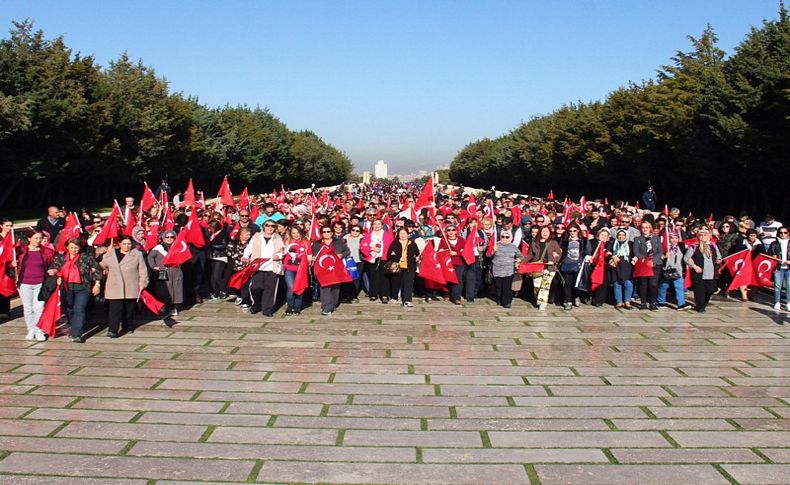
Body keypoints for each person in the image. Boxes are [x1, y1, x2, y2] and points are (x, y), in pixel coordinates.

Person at [49, 238, 102, 342]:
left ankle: (77, 333)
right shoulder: (60, 258)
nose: (74, 250)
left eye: (76, 248)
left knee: (79, 309)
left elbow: (97, 270)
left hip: (83, 287)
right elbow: (55, 268)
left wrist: (97, 284)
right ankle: (72, 326)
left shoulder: (86, 257)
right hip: (66, 287)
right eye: (71, 247)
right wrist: (55, 273)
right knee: (69, 309)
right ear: (67, 247)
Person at [99, 235, 149, 337]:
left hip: (130, 285)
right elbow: (101, 265)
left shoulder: (137, 255)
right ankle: (113, 330)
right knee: (115, 309)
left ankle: (127, 326)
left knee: (128, 309)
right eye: (124, 244)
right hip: (114, 285)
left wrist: (143, 282)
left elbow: (143, 270)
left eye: (129, 244)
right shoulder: (109, 255)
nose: (127, 246)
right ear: (119, 244)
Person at [14, 230, 53, 340]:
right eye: (36, 238)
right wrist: (13, 264)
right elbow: (10, 261)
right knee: (28, 308)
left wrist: (53, 271)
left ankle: (39, 330)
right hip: (25, 283)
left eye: (40, 238)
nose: (38, 240)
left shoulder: (47, 251)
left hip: (40, 283)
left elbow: (53, 263)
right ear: (29, 239)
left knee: (39, 307)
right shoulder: (21, 251)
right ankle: (30, 329)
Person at [243, 219, 285, 317]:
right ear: (263, 226)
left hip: (272, 266)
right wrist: (245, 256)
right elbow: (249, 248)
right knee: (255, 287)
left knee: (270, 289)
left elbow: (283, 250)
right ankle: (256, 304)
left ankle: (267, 308)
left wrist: (279, 255)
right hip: (258, 266)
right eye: (267, 225)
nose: (269, 228)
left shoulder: (278, 238)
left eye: (272, 226)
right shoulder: (256, 237)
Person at [312, 225, 350, 315]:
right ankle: (326, 307)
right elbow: (313, 254)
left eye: (328, 231)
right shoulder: (317, 244)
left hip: (336, 269)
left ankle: (333, 303)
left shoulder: (339, 242)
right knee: (325, 288)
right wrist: (313, 257)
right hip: (323, 269)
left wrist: (341, 255)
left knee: (335, 289)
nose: (326, 234)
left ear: (332, 233)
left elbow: (347, 251)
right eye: (324, 232)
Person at [684, 228, 722, 313]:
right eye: (701, 235)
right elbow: (686, 258)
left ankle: (704, 302)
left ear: (709, 236)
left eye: (705, 235)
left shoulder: (713, 246)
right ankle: (700, 306)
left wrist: (719, 260)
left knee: (711, 289)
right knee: (699, 291)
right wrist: (694, 266)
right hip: (699, 273)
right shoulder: (694, 247)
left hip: (711, 273)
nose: (703, 237)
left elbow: (719, 256)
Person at [147, 230, 184, 317]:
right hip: (163, 272)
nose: (169, 239)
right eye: (167, 237)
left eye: (171, 237)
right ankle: (165, 307)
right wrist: (154, 266)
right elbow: (150, 257)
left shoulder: (178, 247)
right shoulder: (158, 248)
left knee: (176, 290)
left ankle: (175, 307)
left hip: (175, 271)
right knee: (164, 290)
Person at [526, 226, 562, 310]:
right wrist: (523, 262)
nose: (545, 233)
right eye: (543, 231)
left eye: (547, 231)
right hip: (537, 266)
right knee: (537, 285)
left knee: (545, 286)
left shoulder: (553, 243)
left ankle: (542, 303)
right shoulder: (534, 243)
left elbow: (558, 254)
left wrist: (554, 260)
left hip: (549, 267)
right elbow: (530, 254)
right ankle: (539, 299)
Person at [360, 218, 393, 303]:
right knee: (373, 276)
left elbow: (391, 246)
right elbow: (363, 246)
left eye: (379, 224)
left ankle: (384, 294)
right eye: (375, 224)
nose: (377, 226)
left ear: (382, 225)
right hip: (372, 258)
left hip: (384, 258)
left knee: (384, 277)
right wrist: (371, 248)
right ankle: (373, 294)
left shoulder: (387, 235)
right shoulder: (368, 235)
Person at [385, 227, 420, 307]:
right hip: (397, 267)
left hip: (409, 267)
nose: (403, 235)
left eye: (404, 233)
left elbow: (417, 254)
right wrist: (398, 258)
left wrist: (417, 257)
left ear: (408, 234)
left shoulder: (412, 243)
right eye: (400, 233)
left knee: (408, 284)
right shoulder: (395, 243)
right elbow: (390, 254)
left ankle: (407, 300)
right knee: (395, 282)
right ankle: (394, 297)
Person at [633, 220, 664, 310]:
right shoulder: (637, 239)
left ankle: (653, 302)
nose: (645, 229)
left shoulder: (656, 238)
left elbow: (660, 251)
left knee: (653, 284)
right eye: (643, 227)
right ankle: (643, 302)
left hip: (655, 263)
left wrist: (653, 260)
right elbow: (636, 252)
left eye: (647, 227)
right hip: (643, 263)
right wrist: (645, 260)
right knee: (643, 283)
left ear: (650, 228)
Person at [559, 225, 590, 310]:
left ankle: (576, 296)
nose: (572, 232)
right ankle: (568, 301)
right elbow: (561, 251)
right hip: (567, 263)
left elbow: (587, 251)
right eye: (570, 231)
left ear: (578, 231)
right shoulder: (565, 240)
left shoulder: (583, 240)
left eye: (574, 230)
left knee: (576, 283)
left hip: (578, 264)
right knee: (567, 283)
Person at [488, 229, 521, 308]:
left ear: (511, 238)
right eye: (503, 236)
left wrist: (518, 260)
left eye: (507, 237)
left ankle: (507, 302)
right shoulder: (496, 245)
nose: (505, 238)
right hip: (497, 270)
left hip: (509, 270)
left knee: (507, 287)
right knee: (498, 287)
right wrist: (492, 251)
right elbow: (488, 255)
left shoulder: (513, 247)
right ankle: (499, 299)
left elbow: (520, 256)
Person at [283, 225, 312, 315]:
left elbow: (309, 255)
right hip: (289, 268)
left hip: (301, 269)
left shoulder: (305, 241)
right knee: (291, 288)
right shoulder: (287, 241)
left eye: (297, 233)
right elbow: (282, 253)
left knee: (300, 287)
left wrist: (309, 262)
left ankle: (297, 307)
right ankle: (290, 306)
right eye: (293, 233)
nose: (295, 235)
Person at [657, 232, 690, 310]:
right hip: (667, 269)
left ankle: (681, 304)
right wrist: (665, 256)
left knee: (679, 286)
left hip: (678, 270)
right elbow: (659, 257)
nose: (674, 240)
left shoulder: (682, 246)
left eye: (676, 238)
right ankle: (661, 301)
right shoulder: (665, 247)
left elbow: (686, 256)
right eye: (672, 238)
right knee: (664, 286)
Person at [437, 224, 466, 305]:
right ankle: (447, 293)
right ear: (446, 232)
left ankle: (456, 297)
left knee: (458, 279)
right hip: (448, 263)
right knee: (448, 279)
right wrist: (444, 251)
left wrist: (456, 253)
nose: (451, 232)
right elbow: (439, 251)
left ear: (456, 231)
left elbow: (465, 251)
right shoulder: (443, 240)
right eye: (449, 230)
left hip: (459, 262)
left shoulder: (462, 240)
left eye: (453, 230)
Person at [225, 226, 253, 305]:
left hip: (247, 268)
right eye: (246, 234)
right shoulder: (233, 243)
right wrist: (241, 257)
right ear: (240, 235)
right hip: (236, 267)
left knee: (245, 285)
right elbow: (229, 252)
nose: (248, 236)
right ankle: (239, 295)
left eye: (249, 235)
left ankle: (245, 300)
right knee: (232, 284)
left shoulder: (251, 244)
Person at [610, 229, 634, 309]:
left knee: (628, 283)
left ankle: (627, 301)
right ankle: (619, 302)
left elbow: (635, 253)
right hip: (616, 264)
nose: (621, 236)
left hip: (627, 265)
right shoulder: (614, 243)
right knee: (617, 283)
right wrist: (613, 256)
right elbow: (609, 252)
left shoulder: (630, 244)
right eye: (619, 235)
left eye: (623, 235)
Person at [206, 220, 230, 301]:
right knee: (212, 277)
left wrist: (212, 246)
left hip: (220, 256)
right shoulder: (211, 234)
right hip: (211, 256)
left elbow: (224, 245)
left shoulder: (223, 233)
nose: (209, 229)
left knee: (217, 275)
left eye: (211, 227)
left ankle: (223, 290)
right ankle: (215, 292)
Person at [768, 226, 790, 312]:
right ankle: (777, 302)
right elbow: (769, 255)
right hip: (778, 267)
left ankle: (788, 303)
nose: (783, 234)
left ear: (788, 233)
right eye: (781, 233)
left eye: (785, 232)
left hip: (788, 268)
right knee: (777, 286)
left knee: (789, 286)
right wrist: (773, 257)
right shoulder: (774, 244)